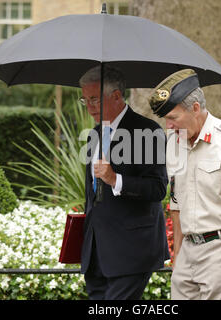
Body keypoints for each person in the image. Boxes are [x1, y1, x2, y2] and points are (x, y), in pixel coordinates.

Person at [148, 69, 221, 300]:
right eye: (166, 120)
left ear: (195, 109)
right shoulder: (174, 143)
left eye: (173, 118)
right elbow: (177, 204)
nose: (169, 126)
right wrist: (178, 256)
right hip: (188, 254)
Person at [79, 65, 170, 300]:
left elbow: (158, 188)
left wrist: (114, 179)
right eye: (84, 100)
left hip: (132, 249)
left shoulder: (147, 131)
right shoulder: (95, 134)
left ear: (117, 96)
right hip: (96, 252)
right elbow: (92, 194)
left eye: (94, 100)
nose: (89, 107)